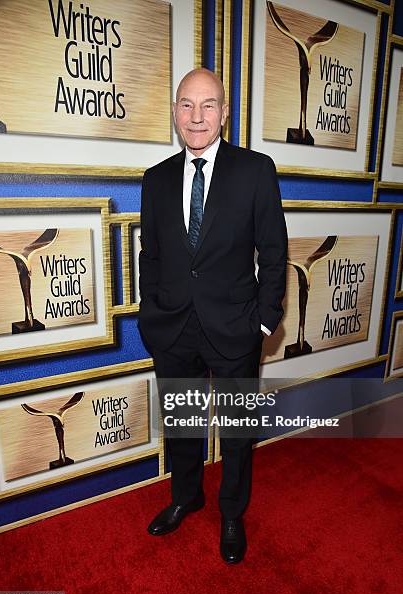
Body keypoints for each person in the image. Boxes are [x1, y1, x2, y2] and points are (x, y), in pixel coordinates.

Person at [138, 68, 287, 564]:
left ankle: (231, 512)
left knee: (238, 431)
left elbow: (273, 249)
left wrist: (264, 322)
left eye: (208, 105)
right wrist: (149, 311)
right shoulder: (155, 179)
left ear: (225, 113)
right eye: (186, 104)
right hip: (173, 326)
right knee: (181, 423)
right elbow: (152, 255)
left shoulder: (255, 170)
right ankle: (186, 495)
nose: (196, 116)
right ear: (175, 111)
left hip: (235, 328)